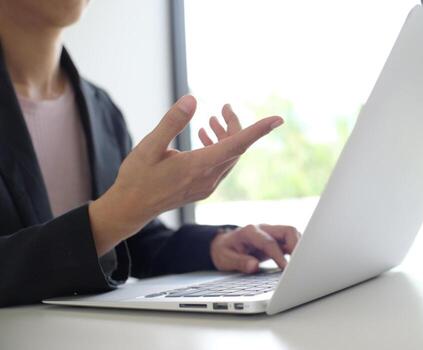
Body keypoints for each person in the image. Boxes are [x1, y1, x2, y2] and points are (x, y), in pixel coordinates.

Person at [0, 0, 300, 307]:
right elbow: (111, 224)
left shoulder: (102, 109)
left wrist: (216, 245)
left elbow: (130, 244)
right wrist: (114, 216)